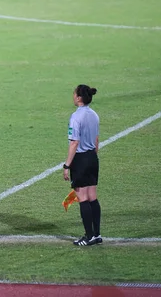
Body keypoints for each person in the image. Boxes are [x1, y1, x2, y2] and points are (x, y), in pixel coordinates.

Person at [62, 84, 102, 247]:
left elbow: (74, 143)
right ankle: (97, 234)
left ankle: (88, 236)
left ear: (79, 98)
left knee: (82, 198)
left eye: (74, 94)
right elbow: (97, 139)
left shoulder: (76, 117)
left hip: (80, 159)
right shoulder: (94, 115)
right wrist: (93, 157)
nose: (73, 96)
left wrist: (67, 165)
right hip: (93, 157)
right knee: (92, 197)